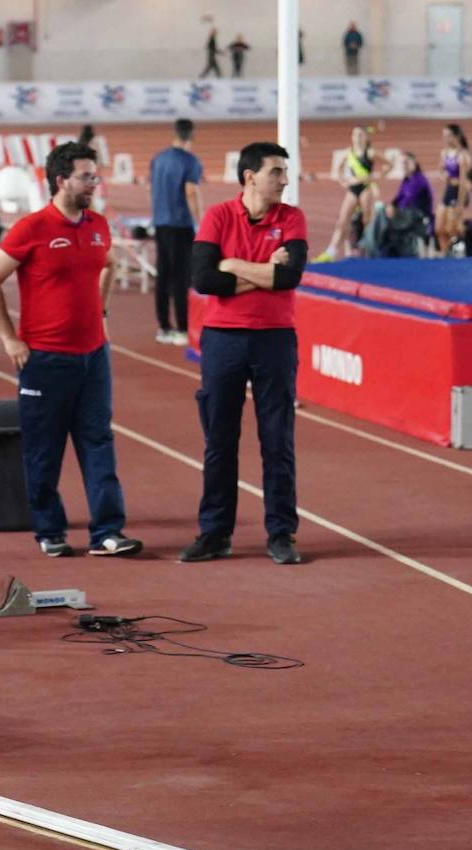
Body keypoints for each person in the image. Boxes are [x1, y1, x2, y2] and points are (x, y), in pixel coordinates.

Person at [0, 141, 141, 559]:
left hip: (94, 357)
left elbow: (107, 265)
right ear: (61, 180)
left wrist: (100, 312)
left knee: (99, 442)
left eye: (95, 175)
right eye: (87, 176)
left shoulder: (99, 225)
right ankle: (50, 530)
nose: (94, 183)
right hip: (45, 361)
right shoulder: (31, 228)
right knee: (44, 449)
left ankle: (107, 531)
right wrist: (10, 338)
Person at [184, 142, 307, 566]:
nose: (285, 180)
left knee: (278, 440)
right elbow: (203, 279)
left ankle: (281, 533)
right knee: (219, 440)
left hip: (275, 339)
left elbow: (289, 276)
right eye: (277, 171)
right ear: (250, 175)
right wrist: (261, 272)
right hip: (223, 340)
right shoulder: (218, 215)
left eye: (285, 172)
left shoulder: (291, 218)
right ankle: (215, 532)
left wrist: (232, 265)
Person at [150, 119, 203, 345]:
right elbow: (190, 191)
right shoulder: (191, 162)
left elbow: (151, 189)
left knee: (163, 276)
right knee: (182, 277)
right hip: (181, 225)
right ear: (191, 136)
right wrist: (199, 222)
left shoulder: (158, 159)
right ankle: (182, 327)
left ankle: (164, 326)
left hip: (161, 223)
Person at [315, 126, 386, 262]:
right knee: (342, 220)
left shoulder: (371, 153)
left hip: (366, 188)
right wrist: (345, 182)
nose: (357, 138)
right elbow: (338, 169)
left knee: (367, 220)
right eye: (355, 135)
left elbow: (388, 164)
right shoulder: (349, 152)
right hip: (353, 189)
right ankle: (331, 251)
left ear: (366, 137)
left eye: (360, 135)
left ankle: (367, 250)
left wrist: (377, 177)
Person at [434, 124, 471, 254]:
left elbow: (463, 182)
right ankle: (445, 254)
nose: (445, 138)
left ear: (457, 137)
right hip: (448, 192)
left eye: (448, 135)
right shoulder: (444, 153)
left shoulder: (463, 156)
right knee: (439, 228)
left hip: (459, 193)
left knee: (452, 229)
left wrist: (460, 203)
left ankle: (461, 250)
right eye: (444, 135)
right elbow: (440, 171)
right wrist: (447, 178)